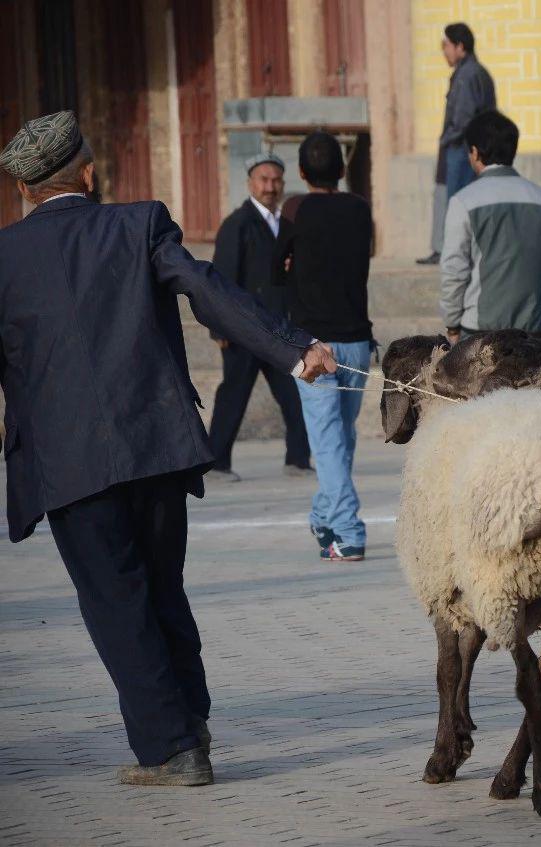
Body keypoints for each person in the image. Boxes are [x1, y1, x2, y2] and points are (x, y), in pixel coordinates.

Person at [0, 112, 334, 785]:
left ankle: (172, 749)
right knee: (162, 589)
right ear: (89, 174)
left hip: (69, 463)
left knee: (117, 604)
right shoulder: (138, 223)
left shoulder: (5, 255)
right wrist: (294, 351)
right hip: (155, 445)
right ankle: (192, 721)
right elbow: (212, 292)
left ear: (24, 190)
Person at [280, 132, 375, 563]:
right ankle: (324, 516)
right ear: (342, 169)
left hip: (314, 345)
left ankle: (350, 533)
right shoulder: (359, 208)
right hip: (356, 339)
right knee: (341, 439)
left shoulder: (295, 209)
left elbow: (274, 268)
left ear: (300, 172)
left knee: (328, 442)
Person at [205, 152, 311, 483]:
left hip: (277, 330)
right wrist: (217, 327)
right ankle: (216, 464)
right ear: (251, 183)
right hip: (242, 331)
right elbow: (219, 279)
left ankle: (298, 460)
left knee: (293, 396)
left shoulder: (284, 224)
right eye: (264, 180)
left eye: (276, 180)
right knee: (233, 397)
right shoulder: (237, 224)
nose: (270, 186)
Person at [440, 111, 541, 349]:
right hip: (536, 332)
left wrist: (452, 324)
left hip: (480, 333)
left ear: (474, 152)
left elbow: (454, 270)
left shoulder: (463, 201)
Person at [418, 23, 496, 266]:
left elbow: (462, 119)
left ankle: (454, 255)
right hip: (468, 147)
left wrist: (446, 140)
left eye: (446, 45)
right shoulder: (475, 72)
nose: (444, 51)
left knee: (459, 204)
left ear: (460, 47)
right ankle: (449, 251)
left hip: (462, 149)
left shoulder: (468, 75)